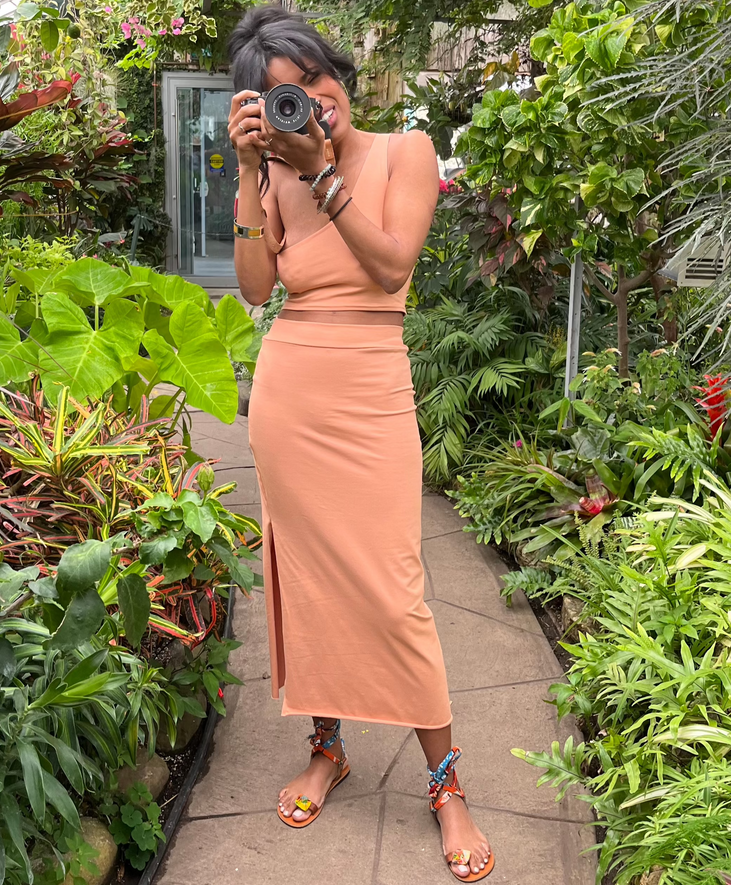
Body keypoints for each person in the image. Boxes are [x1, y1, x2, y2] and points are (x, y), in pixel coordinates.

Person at [226, 6, 494, 881]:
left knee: (393, 588)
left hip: (373, 390)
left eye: (312, 81)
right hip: (291, 389)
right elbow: (255, 288)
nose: (307, 101)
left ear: (334, 71)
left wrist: (327, 176)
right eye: (281, 97)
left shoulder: (404, 152)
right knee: (307, 582)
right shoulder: (275, 168)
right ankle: (328, 745)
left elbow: (390, 265)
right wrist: (248, 172)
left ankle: (446, 783)